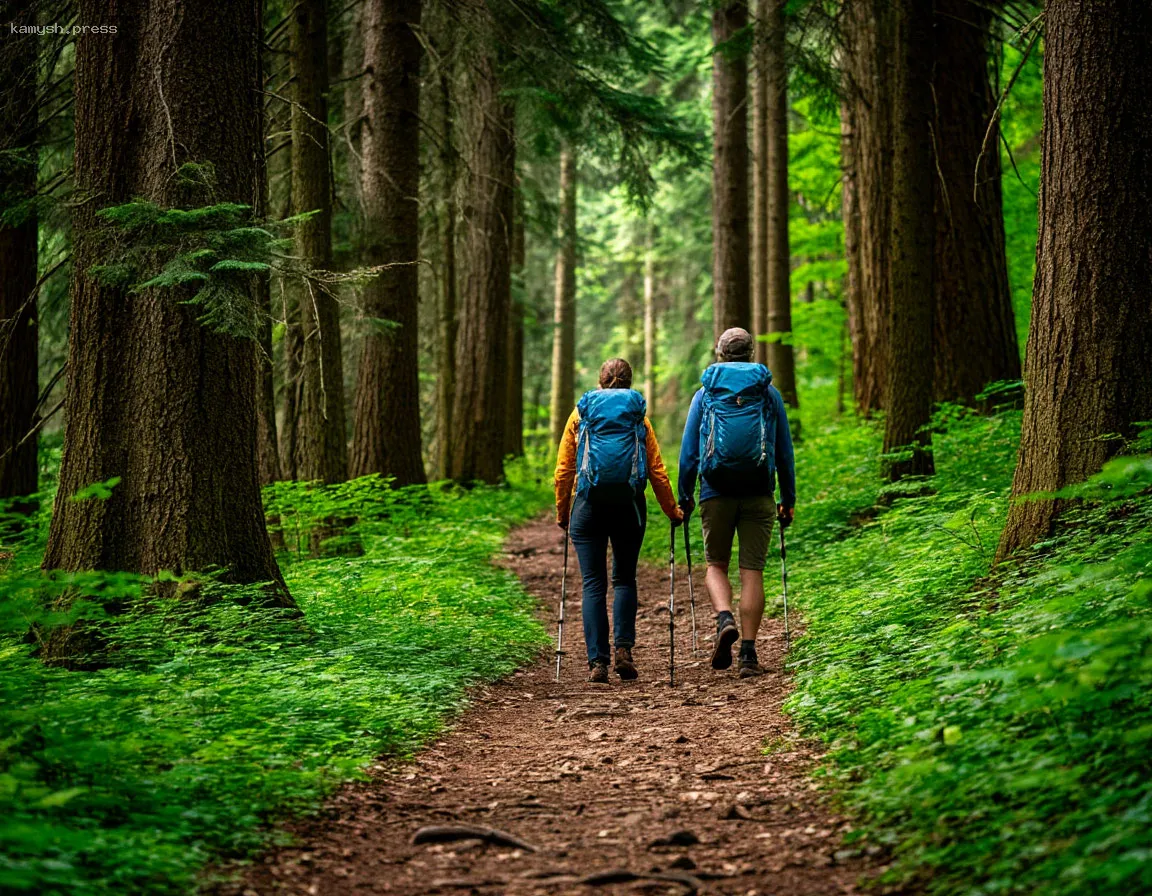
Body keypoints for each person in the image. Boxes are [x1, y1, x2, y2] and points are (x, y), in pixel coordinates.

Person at [677, 327, 796, 678]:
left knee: (715, 563)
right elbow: (784, 452)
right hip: (759, 491)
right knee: (752, 571)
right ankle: (748, 654)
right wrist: (788, 498)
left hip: (715, 491)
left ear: (720, 354)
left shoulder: (705, 394)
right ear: (751, 354)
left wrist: (684, 496)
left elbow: (689, 453)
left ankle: (724, 617)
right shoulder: (768, 393)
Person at [555, 358, 683, 683]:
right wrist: (672, 510)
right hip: (629, 507)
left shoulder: (580, 413)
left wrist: (563, 513)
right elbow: (656, 469)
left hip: (588, 507)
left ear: (600, 382)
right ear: (629, 382)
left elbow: (564, 470)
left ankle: (598, 662)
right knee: (625, 579)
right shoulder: (638, 416)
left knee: (593, 584)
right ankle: (624, 651)